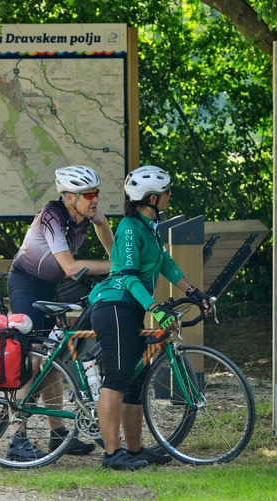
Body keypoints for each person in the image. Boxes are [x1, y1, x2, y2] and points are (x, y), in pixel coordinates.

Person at [88, 165, 212, 470]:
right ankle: (111, 454)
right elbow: (129, 277)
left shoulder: (149, 227)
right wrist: (154, 307)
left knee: (135, 383)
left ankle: (133, 449)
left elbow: (166, 263)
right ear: (153, 198)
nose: (170, 196)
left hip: (130, 308)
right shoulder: (129, 229)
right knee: (116, 380)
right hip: (115, 305)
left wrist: (193, 291)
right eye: (166, 192)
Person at [6, 164, 114, 460]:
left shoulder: (83, 216)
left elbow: (112, 250)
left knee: (53, 359)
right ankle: (16, 438)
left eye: (97, 193)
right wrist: (118, 269)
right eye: (88, 194)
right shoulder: (52, 215)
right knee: (34, 358)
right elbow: (70, 268)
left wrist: (102, 225)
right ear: (69, 198)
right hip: (26, 284)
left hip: (48, 288)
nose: (94, 199)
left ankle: (58, 435)